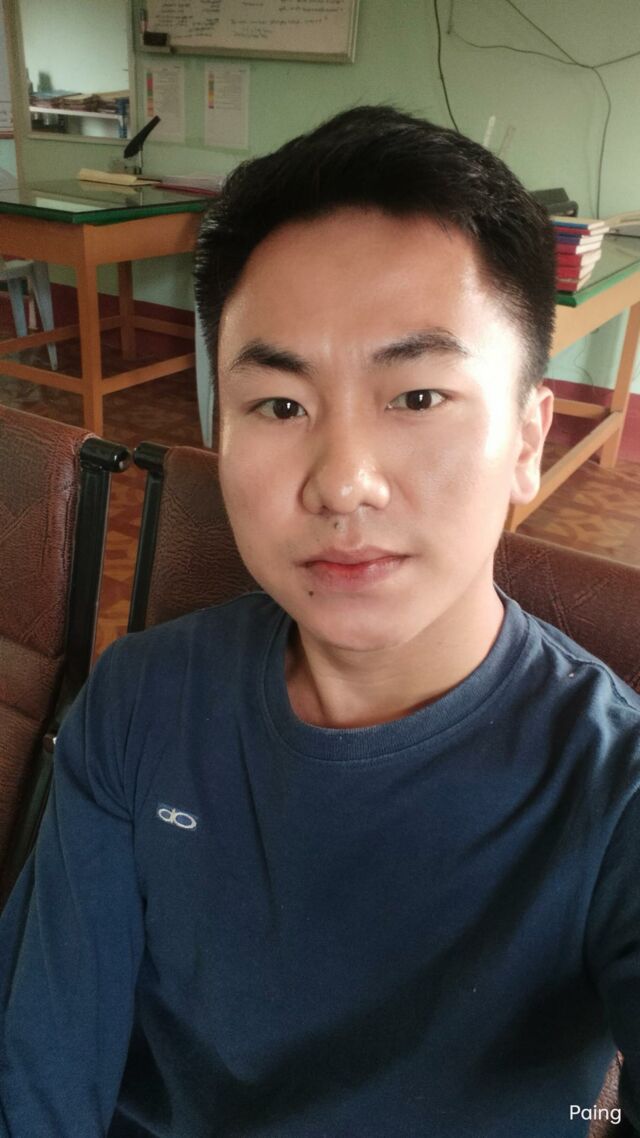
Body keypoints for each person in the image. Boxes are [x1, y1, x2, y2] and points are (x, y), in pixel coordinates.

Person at [1, 105, 639, 1138]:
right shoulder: (140, 701)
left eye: (418, 396)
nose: (343, 482)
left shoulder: (612, 794)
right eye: (280, 405)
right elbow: (40, 1075)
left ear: (528, 440)